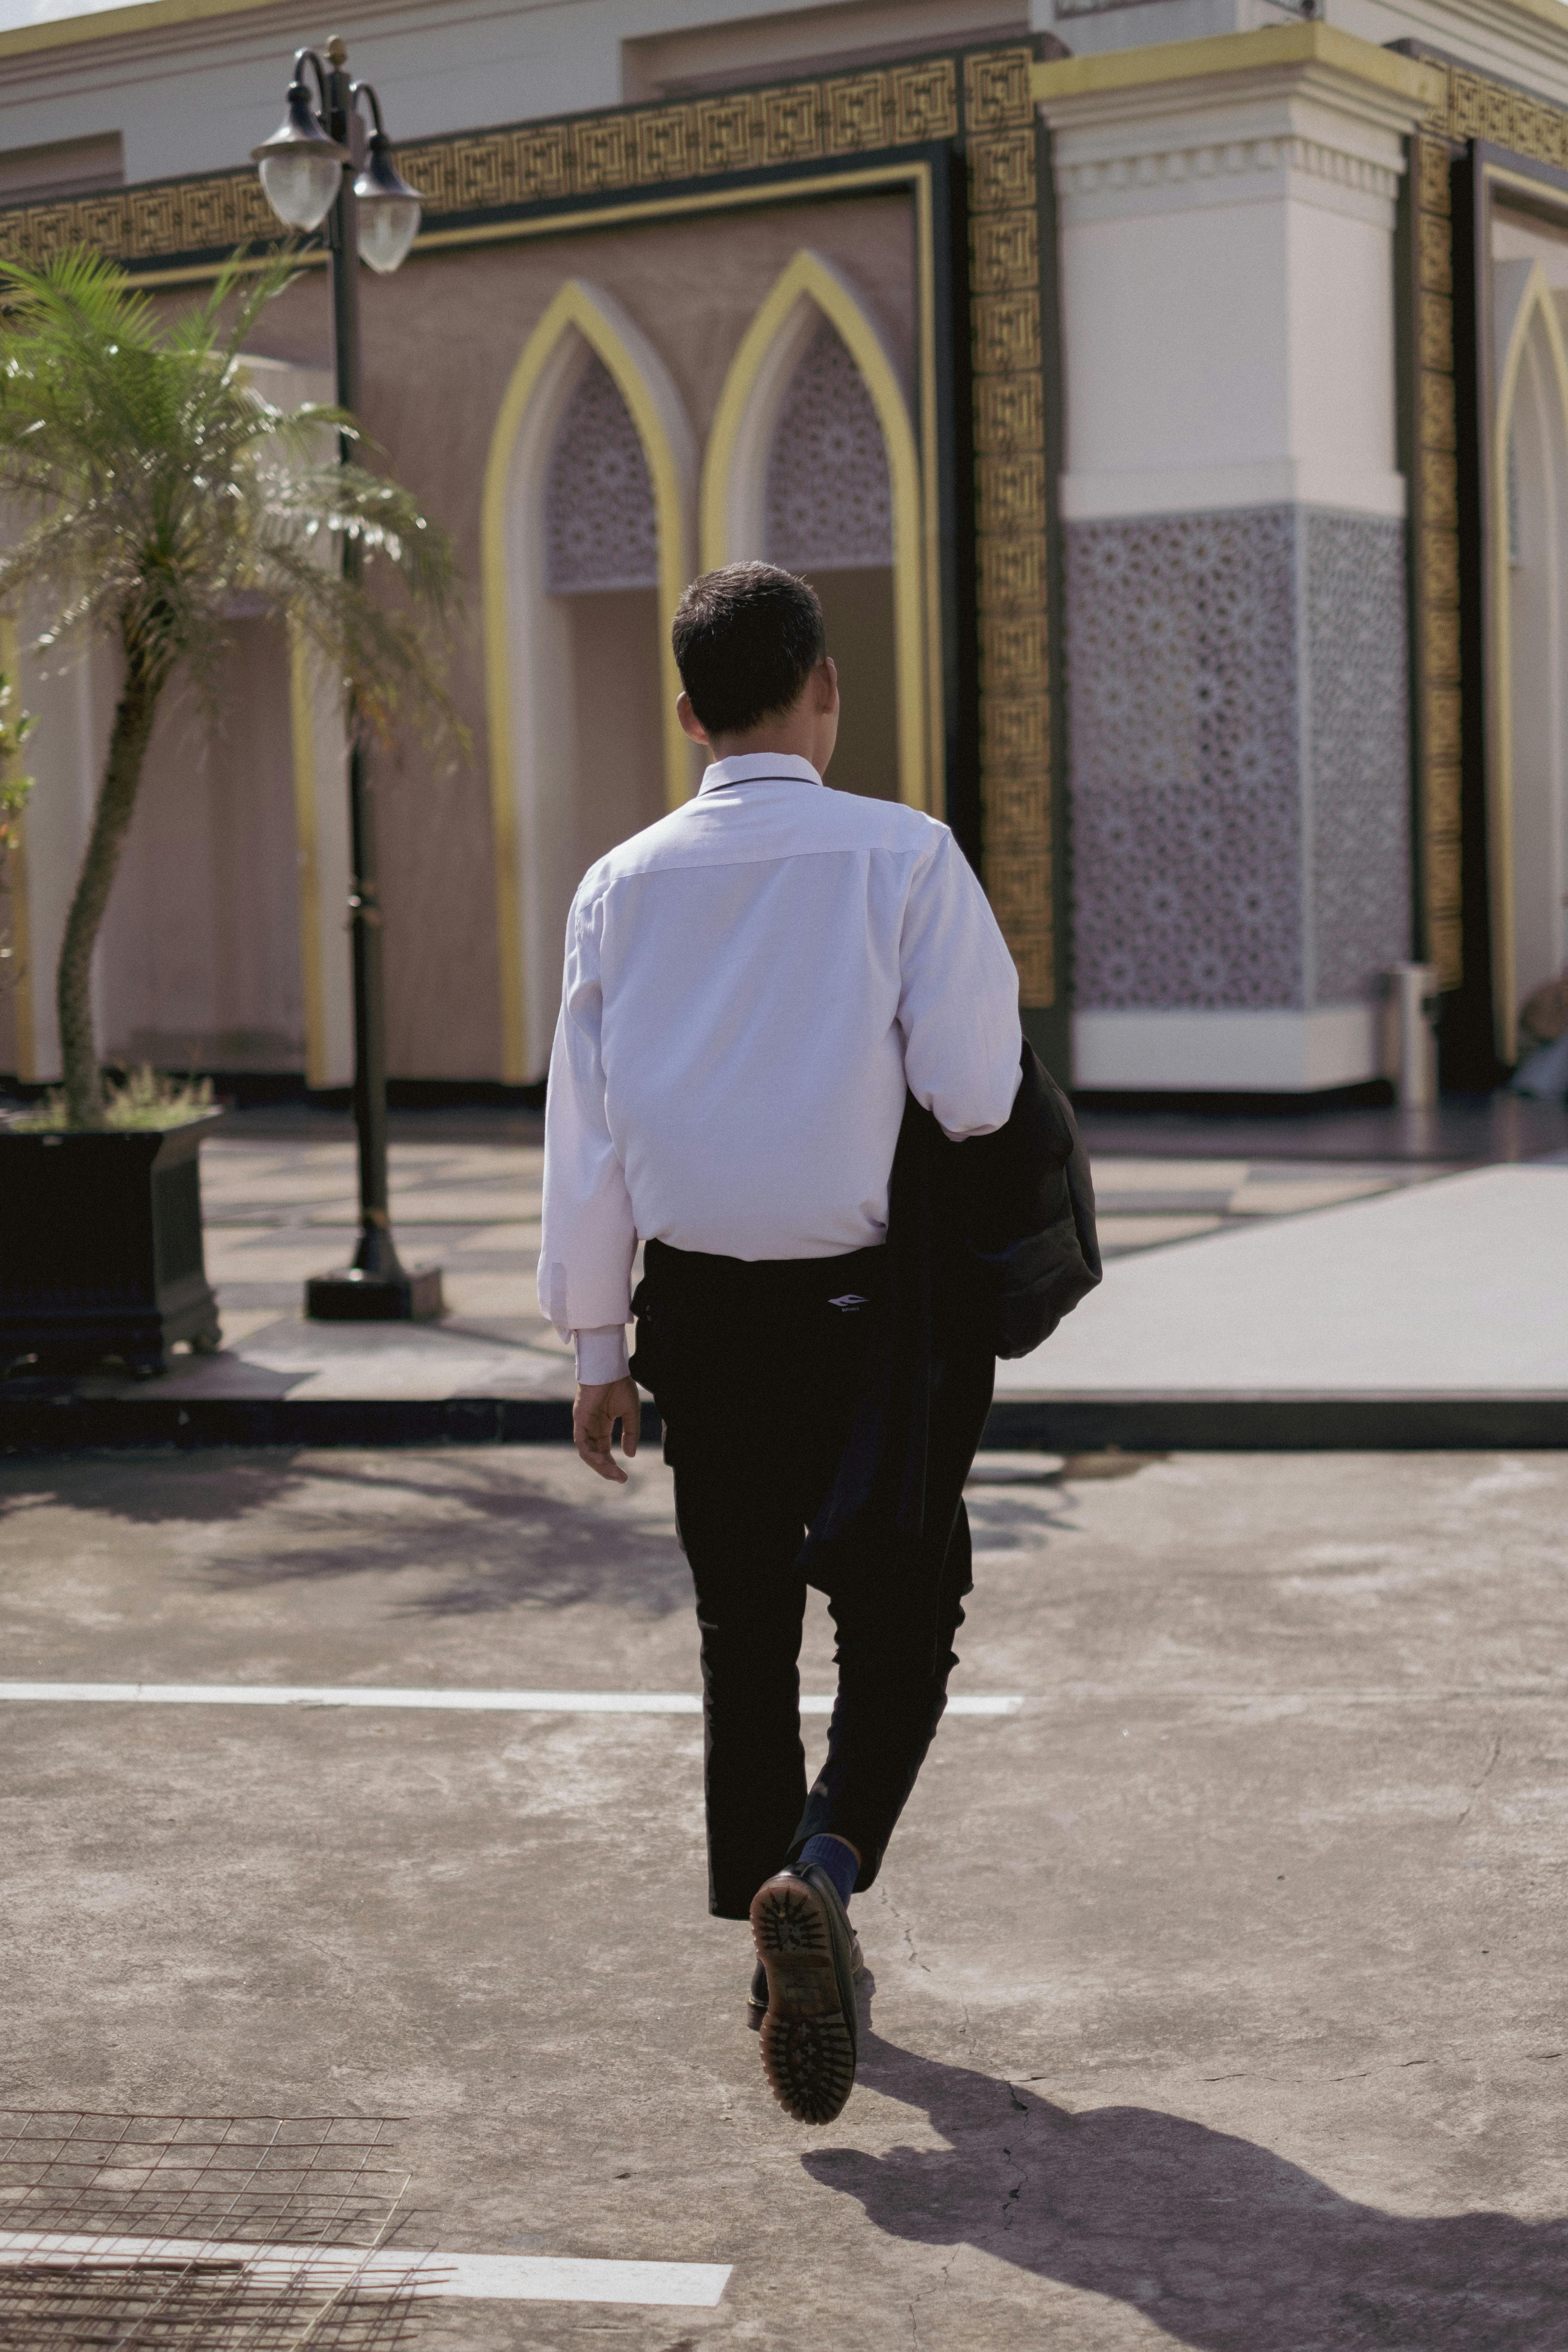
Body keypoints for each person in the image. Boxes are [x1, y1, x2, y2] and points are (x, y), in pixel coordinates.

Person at [538, 562, 1022, 2125]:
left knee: (741, 1637)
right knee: (904, 1617)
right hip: (863, 1324)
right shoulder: (904, 857)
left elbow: (586, 1138)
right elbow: (974, 1095)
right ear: (825, 686)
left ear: (684, 715)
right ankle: (819, 1870)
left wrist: (594, 1340)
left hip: (695, 1317)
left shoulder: (617, 885)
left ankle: (777, 1954)